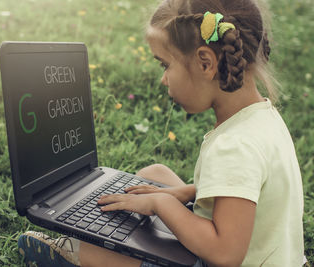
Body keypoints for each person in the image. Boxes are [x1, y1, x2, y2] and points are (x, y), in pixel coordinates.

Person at [17, 0, 306, 266]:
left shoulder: (234, 146)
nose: (163, 78)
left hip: (221, 256)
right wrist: (186, 192)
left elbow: (225, 253)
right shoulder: (262, 118)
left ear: (206, 63)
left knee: (102, 251)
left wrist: (162, 203)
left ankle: (71, 254)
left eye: (165, 64)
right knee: (154, 174)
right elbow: (249, 191)